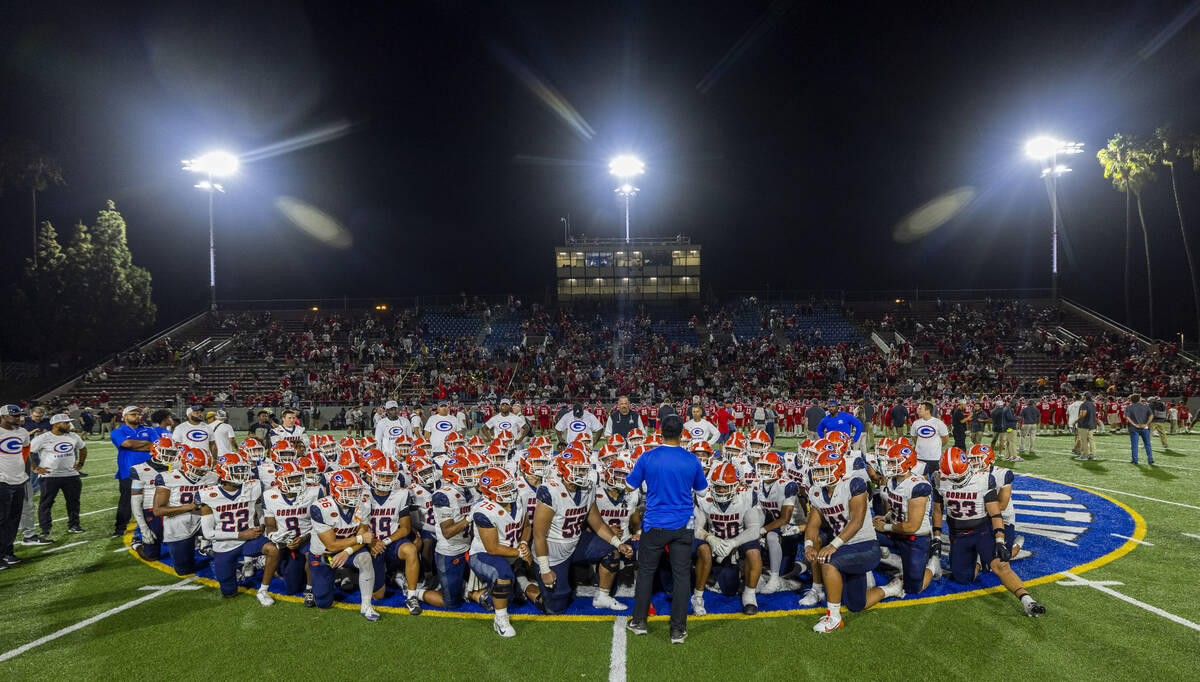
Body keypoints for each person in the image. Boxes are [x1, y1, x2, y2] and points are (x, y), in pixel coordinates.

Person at [929, 448, 1044, 617]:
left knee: (1001, 565)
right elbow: (937, 511)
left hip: (982, 531)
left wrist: (999, 540)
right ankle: (977, 559)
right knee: (962, 578)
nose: (958, 480)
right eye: (952, 477)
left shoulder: (983, 479)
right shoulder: (938, 479)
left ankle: (1027, 601)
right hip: (958, 535)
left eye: (960, 475)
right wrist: (937, 537)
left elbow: (995, 512)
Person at [625, 414, 707, 644]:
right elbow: (701, 491)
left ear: (660, 432)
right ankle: (678, 629)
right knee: (681, 576)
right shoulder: (692, 460)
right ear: (682, 434)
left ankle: (640, 621)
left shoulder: (648, 456)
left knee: (646, 573)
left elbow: (630, 484)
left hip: (654, 523)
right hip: (683, 524)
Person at [197, 452, 278, 606]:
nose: (242, 474)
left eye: (243, 469)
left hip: (249, 539)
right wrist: (240, 534)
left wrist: (261, 525)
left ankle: (263, 590)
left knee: (273, 549)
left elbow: (259, 508)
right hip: (224, 545)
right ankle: (224, 567)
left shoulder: (253, 486)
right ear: (223, 471)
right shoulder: (208, 495)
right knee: (229, 593)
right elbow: (207, 533)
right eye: (237, 470)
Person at [31, 413, 87, 538]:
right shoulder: (43, 438)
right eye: (66, 423)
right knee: (46, 503)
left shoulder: (73, 436)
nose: (69, 425)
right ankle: (45, 529)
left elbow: (83, 448)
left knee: (73, 502)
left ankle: (74, 525)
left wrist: (81, 463)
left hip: (71, 475)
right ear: (56, 425)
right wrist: (34, 468)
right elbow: (28, 450)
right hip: (49, 476)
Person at [112, 406, 157, 538]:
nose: (137, 416)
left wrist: (136, 445)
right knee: (126, 501)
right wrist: (147, 445)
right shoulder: (117, 432)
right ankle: (120, 528)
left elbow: (158, 445)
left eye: (138, 414)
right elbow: (127, 444)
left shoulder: (149, 429)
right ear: (125, 416)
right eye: (133, 414)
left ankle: (153, 524)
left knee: (151, 499)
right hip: (128, 472)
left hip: (150, 471)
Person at [0, 405, 32, 568]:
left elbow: (26, 447)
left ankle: (7, 552)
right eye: (15, 416)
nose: (19, 418)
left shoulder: (22, 432)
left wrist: (22, 463)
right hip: (2, 481)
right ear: (3, 416)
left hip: (19, 480)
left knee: (13, 520)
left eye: (20, 415)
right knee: (1, 519)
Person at [909, 401, 948, 477]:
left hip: (934, 457)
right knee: (919, 479)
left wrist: (937, 446)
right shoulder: (916, 423)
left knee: (934, 480)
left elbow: (945, 438)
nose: (918, 410)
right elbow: (914, 437)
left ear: (927, 410)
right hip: (919, 457)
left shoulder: (938, 423)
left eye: (920, 409)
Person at [1124, 395, 1154, 465]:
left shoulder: (1129, 407)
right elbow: (1151, 415)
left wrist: (1134, 424)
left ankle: (1135, 460)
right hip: (1145, 428)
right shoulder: (1146, 406)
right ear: (1139, 399)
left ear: (1131, 400)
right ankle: (1150, 459)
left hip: (1134, 428)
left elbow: (1127, 417)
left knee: (1134, 445)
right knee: (1147, 444)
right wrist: (1146, 424)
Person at [1072, 392, 1097, 461]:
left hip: (1084, 425)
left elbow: (1083, 415)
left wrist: (1076, 421)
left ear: (1085, 397)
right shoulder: (1093, 405)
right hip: (1091, 424)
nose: (1082, 396)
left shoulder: (1084, 404)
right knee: (1091, 440)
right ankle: (1093, 455)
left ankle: (1084, 455)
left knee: (1084, 441)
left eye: (1083, 395)